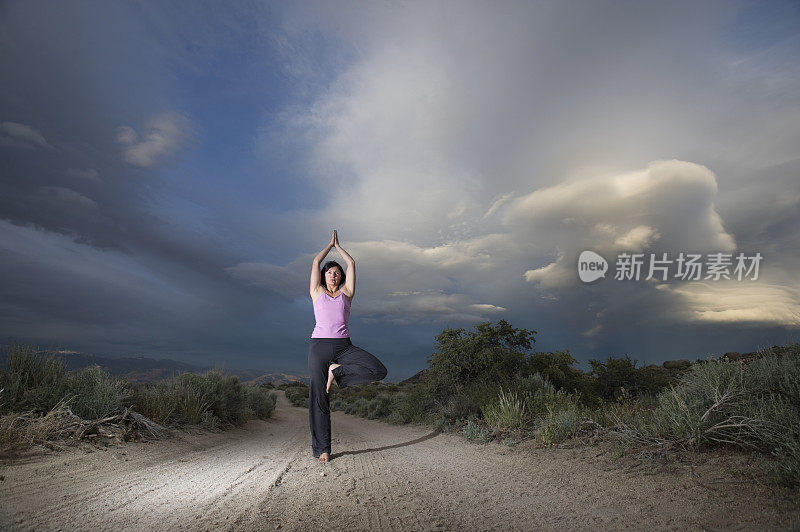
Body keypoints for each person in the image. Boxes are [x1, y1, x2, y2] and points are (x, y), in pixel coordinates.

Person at [308, 230, 388, 462]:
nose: (333, 275)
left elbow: (351, 262)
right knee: (319, 397)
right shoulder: (316, 292)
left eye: (337, 273)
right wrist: (328, 246)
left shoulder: (347, 293)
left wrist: (339, 247)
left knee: (378, 370)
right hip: (319, 347)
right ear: (323, 276)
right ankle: (323, 449)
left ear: (341, 277)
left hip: (344, 347)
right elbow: (315, 261)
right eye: (329, 272)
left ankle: (337, 371)